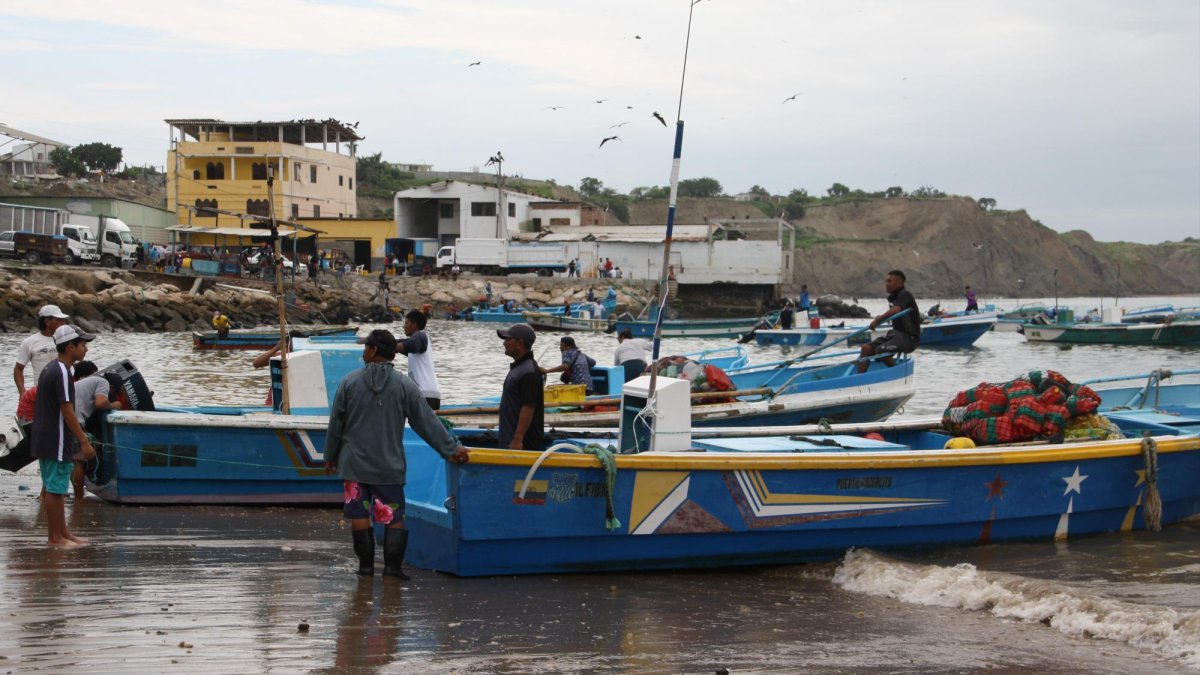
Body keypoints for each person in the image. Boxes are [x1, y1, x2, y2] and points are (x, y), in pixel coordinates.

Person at [324, 329, 468, 579]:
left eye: (366, 347)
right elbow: (426, 423)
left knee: (359, 515)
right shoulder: (405, 385)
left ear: (373, 350)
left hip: (354, 466)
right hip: (388, 467)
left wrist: (330, 456)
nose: (363, 352)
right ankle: (392, 569)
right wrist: (452, 449)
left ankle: (366, 568)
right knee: (393, 516)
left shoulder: (349, 382)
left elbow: (336, 424)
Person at [31, 325, 97, 546]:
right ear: (70, 346)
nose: (86, 349)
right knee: (56, 488)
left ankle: (63, 533)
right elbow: (67, 410)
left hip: (45, 435)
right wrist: (84, 441)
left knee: (55, 486)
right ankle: (55, 538)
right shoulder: (61, 371)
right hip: (56, 436)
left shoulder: (53, 367)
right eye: (82, 345)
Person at [70, 360, 122, 499]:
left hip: (64, 418)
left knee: (68, 460)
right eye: (114, 391)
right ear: (111, 386)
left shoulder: (80, 384)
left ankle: (46, 495)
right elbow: (101, 403)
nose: (112, 393)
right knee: (79, 460)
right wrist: (114, 405)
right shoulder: (102, 382)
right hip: (74, 420)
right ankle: (79, 498)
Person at [858, 270, 920, 373]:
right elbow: (895, 313)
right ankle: (859, 380)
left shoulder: (905, 294)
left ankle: (896, 373)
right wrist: (881, 317)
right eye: (886, 281)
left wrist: (878, 320)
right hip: (895, 335)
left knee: (881, 350)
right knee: (866, 349)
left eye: (890, 281)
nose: (886, 284)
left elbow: (897, 309)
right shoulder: (893, 298)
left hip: (909, 338)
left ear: (899, 283)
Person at [497, 324, 544, 451]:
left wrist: (517, 440)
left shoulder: (528, 371)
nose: (504, 343)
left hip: (522, 446)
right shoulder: (521, 368)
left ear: (519, 343)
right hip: (509, 440)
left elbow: (528, 407)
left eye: (508, 340)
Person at [15, 304, 70, 396]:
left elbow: (77, 365)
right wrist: (22, 392)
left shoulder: (67, 340)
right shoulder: (30, 342)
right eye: (59, 320)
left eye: (63, 320)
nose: (63, 323)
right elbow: (18, 369)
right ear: (47, 321)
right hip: (42, 392)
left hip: (65, 389)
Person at [397, 310, 442, 410]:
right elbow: (401, 343)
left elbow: (410, 345)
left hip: (425, 394)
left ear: (414, 325)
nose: (403, 326)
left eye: (406, 323)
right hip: (426, 394)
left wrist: (393, 346)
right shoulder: (417, 341)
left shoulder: (421, 336)